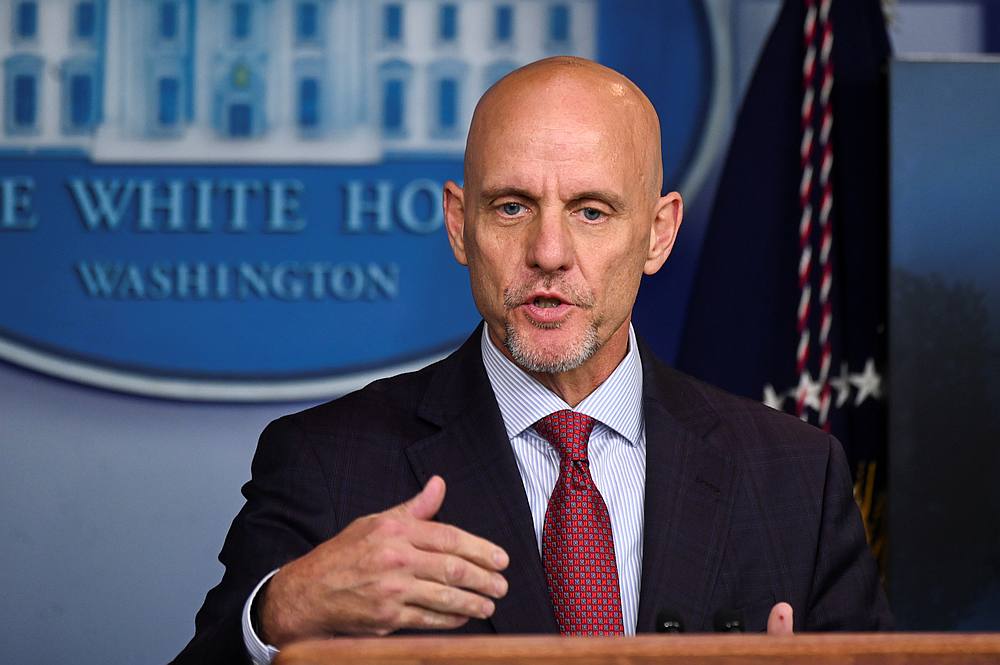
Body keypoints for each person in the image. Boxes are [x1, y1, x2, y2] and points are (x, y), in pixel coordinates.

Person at [172, 56, 891, 665]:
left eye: (592, 211)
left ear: (658, 232)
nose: (549, 253)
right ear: (461, 224)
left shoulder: (796, 476)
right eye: (512, 207)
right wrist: (283, 612)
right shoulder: (329, 462)